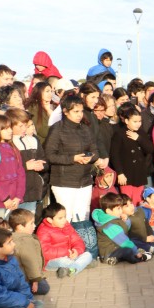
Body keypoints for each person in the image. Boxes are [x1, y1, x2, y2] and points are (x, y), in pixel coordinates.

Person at [44, 93, 98, 222]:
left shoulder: (85, 128)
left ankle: (80, 242)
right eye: (75, 111)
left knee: (82, 218)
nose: (80, 114)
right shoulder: (57, 129)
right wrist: (72, 158)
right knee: (66, 218)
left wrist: (90, 158)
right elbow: (49, 155)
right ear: (65, 111)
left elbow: (95, 150)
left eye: (81, 111)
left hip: (85, 181)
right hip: (64, 182)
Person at [109, 103, 154, 206]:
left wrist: (138, 139)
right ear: (126, 121)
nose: (138, 124)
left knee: (138, 201)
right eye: (135, 121)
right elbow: (115, 155)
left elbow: (150, 149)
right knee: (127, 201)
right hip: (126, 173)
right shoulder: (119, 134)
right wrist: (120, 173)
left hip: (139, 173)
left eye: (139, 121)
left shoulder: (141, 133)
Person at [92, 193, 152, 265]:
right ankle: (140, 257)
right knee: (128, 250)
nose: (121, 211)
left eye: (121, 207)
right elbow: (124, 241)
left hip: (116, 247)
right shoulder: (109, 225)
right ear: (108, 211)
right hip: (109, 251)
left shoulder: (113, 217)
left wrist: (126, 220)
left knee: (131, 245)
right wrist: (136, 251)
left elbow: (125, 229)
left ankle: (115, 259)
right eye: (118, 208)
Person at [36, 203, 94, 275]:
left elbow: (77, 240)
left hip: (69, 256)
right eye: (60, 218)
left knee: (88, 254)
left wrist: (76, 251)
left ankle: (70, 269)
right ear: (50, 220)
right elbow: (45, 252)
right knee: (63, 261)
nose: (64, 220)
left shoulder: (66, 225)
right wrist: (66, 252)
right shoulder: (43, 231)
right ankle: (79, 265)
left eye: (65, 217)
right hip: (51, 261)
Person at [8, 209, 50, 295]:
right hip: (26, 278)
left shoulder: (12, 237)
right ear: (20, 227)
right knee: (44, 288)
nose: (34, 226)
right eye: (31, 223)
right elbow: (30, 262)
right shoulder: (26, 241)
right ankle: (24, 290)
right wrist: (35, 280)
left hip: (18, 276)